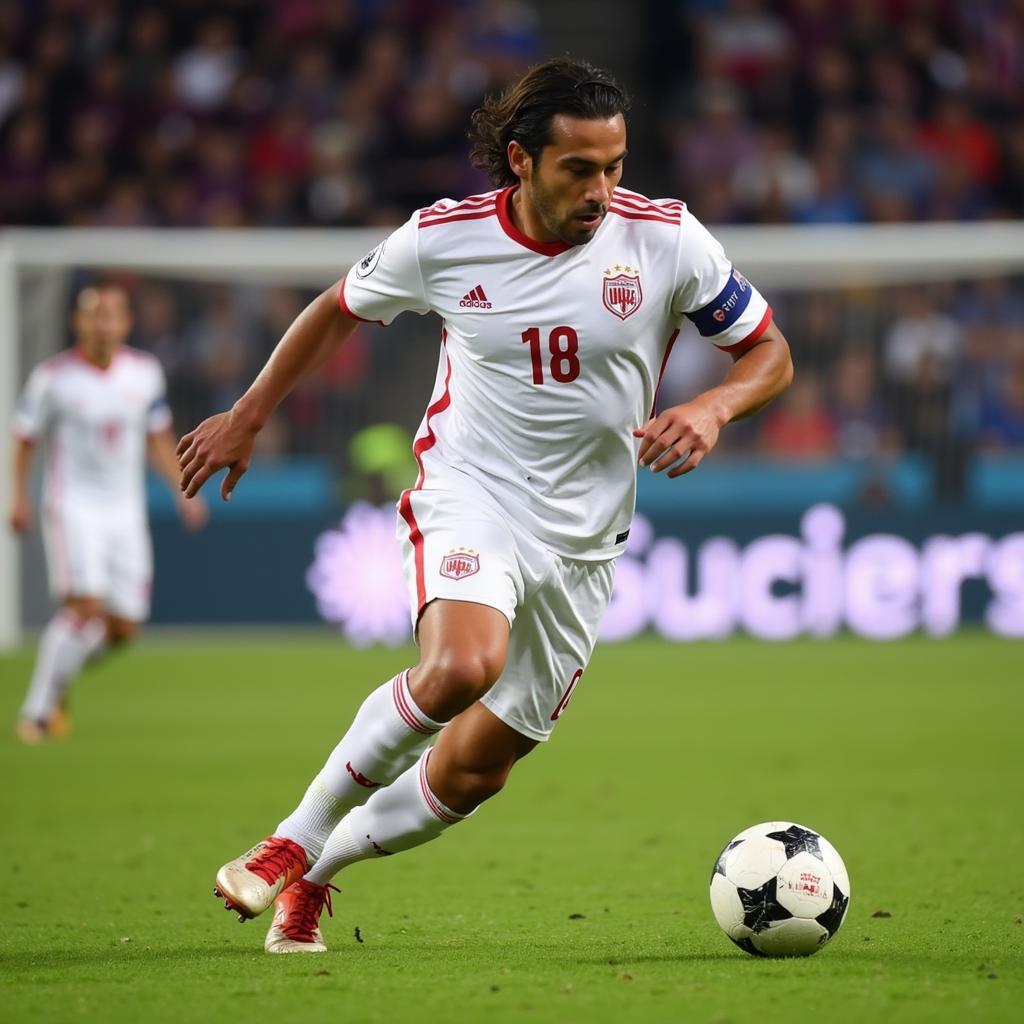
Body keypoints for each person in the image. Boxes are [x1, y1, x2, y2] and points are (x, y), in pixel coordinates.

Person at [177, 58, 793, 955]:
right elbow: (338, 308)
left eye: (615, 166)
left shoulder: (668, 241)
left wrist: (712, 406)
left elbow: (769, 352)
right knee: (464, 664)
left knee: (473, 774)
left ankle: (318, 871)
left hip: (585, 541)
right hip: (472, 494)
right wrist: (249, 413)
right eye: (579, 168)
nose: (602, 189)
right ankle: (291, 839)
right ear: (521, 159)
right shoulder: (442, 239)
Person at [10, 284, 207, 743]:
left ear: (126, 323)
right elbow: (24, 440)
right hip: (73, 506)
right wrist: (17, 495)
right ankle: (36, 713)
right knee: (86, 606)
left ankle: (59, 679)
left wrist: (183, 490)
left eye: (112, 315)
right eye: (94, 315)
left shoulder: (144, 372)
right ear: (78, 323)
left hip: (125, 511)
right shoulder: (52, 378)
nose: (103, 324)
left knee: (123, 627)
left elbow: (158, 437)